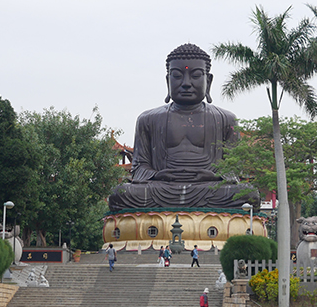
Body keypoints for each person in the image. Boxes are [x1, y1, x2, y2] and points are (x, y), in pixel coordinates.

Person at [107, 44, 259, 211]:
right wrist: (157, 175)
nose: (186, 83)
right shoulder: (148, 119)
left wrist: (215, 176)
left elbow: (234, 169)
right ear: (167, 81)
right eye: (177, 76)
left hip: (209, 188)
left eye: (195, 76)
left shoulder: (225, 119)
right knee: (121, 193)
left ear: (208, 81)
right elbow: (139, 167)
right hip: (162, 189)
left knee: (248, 194)